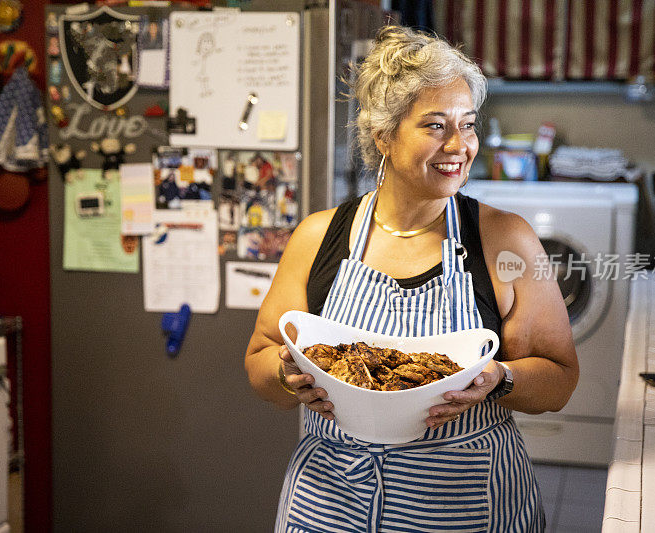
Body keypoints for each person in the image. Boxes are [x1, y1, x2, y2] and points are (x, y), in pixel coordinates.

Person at [245, 26, 578, 532]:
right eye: (435, 125)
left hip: (466, 506)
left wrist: (496, 380)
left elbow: (558, 378)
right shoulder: (318, 238)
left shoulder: (507, 239)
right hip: (328, 506)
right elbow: (260, 362)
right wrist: (289, 377)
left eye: (468, 125)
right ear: (383, 134)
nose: (459, 146)